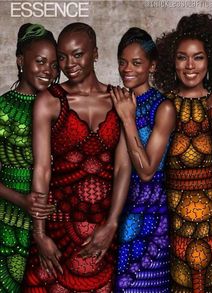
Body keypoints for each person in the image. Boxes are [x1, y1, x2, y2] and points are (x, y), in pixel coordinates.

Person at [22, 22, 131, 292]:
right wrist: (40, 234)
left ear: (95, 53)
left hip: (102, 229)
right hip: (58, 227)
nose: (69, 63)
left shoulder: (119, 99)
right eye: (62, 56)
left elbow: (122, 168)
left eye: (78, 54)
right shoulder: (49, 100)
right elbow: (42, 169)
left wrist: (112, 224)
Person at [155, 13, 212, 293]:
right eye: (182, 57)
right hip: (172, 217)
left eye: (198, 57)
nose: (190, 66)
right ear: (171, 62)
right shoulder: (161, 108)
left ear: (211, 61)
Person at [110, 27, 176, 293]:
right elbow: (117, 167)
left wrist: (128, 118)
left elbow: (147, 170)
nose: (127, 69)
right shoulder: (119, 101)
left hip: (152, 218)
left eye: (137, 63)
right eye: (123, 62)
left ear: (152, 66)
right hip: (121, 211)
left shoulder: (164, 107)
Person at [0, 23, 58, 292]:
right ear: (20, 61)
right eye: (41, 61)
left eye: (54, 64)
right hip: (9, 218)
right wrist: (21, 199)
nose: (49, 70)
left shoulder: (60, 106)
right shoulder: (2, 108)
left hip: (54, 219)